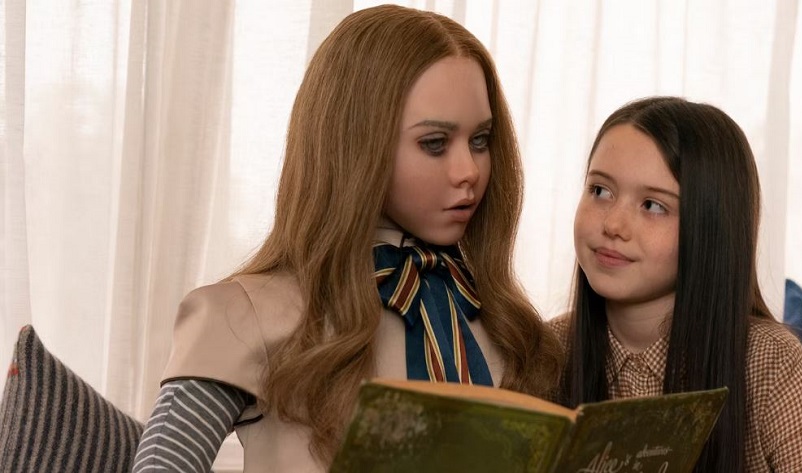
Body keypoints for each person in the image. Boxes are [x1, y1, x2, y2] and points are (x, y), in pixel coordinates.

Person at [130, 5, 561, 472]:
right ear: (354, 143)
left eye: (480, 140)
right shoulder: (247, 315)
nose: (469, 171)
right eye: (434, 143)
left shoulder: (506, 327)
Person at [551, 97, 802, 472]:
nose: (613, 224)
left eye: (652, 205)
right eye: (600, 191)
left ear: (710, 229)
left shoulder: (768, 361)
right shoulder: (544, 353)